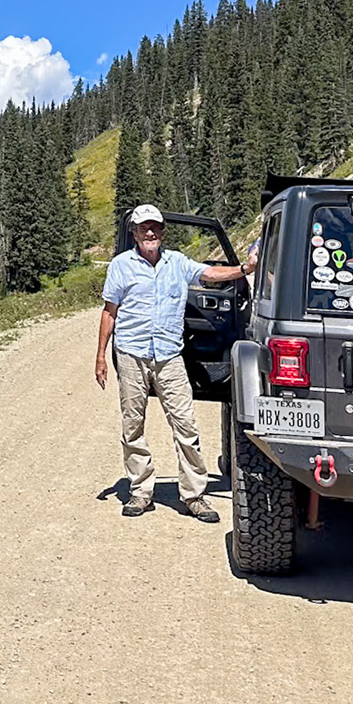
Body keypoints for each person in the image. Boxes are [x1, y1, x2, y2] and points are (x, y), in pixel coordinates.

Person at [95, 204, 255, 520]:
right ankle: (140, 493)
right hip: (132, 355)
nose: (150, 233)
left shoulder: (177, 262)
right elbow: (109, 312)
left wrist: (245, 270)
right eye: (144, 228)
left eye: (155, 227)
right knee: (132, 425)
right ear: (135, 233)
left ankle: (194, 496)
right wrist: (101, 356)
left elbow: (210, 274)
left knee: (185, 425)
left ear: (163, 231)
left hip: (169, 356)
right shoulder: (120, 266)